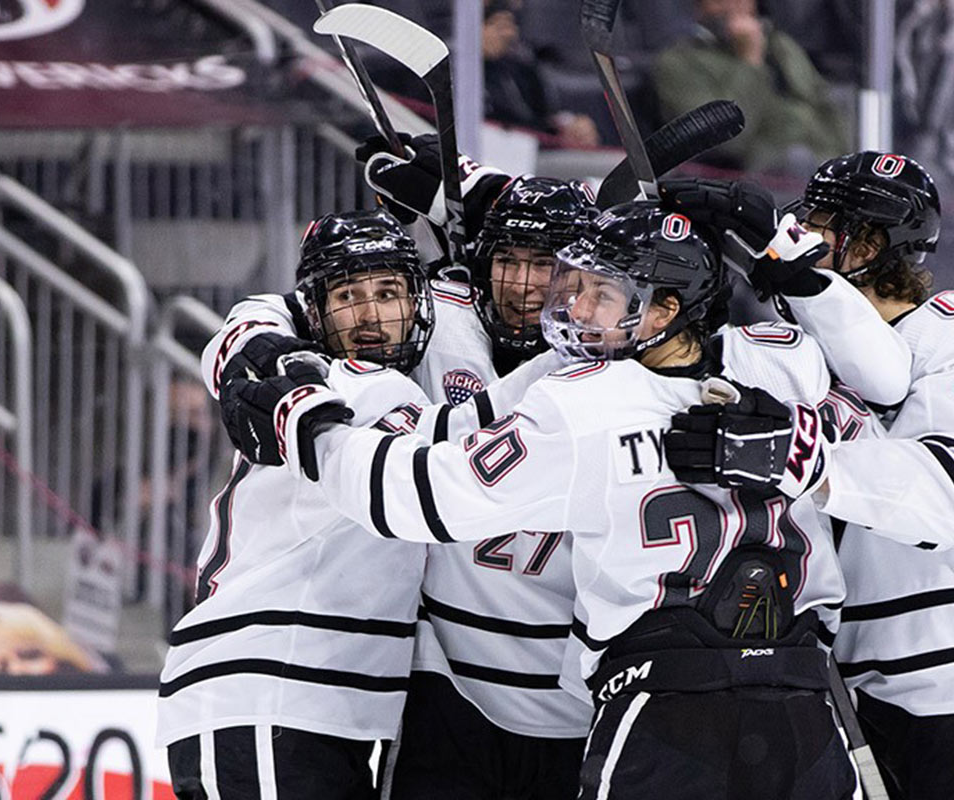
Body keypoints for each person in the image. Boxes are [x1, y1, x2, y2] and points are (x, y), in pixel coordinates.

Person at [222, 199, 859, 800]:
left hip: (665, 709)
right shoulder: (783, 367)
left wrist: (308, 426)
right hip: (806, 703)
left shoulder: (588, 401)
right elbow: (878, 388)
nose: (576, 310)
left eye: (602, 295)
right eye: (577, 288)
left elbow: (417, 499)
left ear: (662, 311)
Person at [664, 152, 954, 799]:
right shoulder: (804, 355)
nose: (800, 232)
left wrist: (791, 456)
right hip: (856, 682)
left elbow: (951, 497)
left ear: (870, 243)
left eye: (820, 223)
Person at [215, 137, 602, 796]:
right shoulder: (434, 318)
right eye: (510, 261)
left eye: (550, 267)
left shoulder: (621, 361)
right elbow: (295, 306)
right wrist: (269, 355)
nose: (528, 286)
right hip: (445, 692)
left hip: (576, 704)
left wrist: (480, 189)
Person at [156, 209, 436, 800]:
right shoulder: (363, 387)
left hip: (305, 705)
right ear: (316, 311)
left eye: (388, 292)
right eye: (347, 295)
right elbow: (455, 475)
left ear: (417, 303)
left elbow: (256, 316)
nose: (368, 315)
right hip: (270, 694)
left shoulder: (300, 370)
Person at [651, 0, 849, 172]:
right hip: (755, 175)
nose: (734, 7)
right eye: (720, 1)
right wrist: (750, 63)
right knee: (798, 160)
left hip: (818, 160)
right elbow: (726, 143)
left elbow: (825, 105)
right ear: (698, 7)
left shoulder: (782, 46)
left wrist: (843, 159)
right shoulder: (681, 62)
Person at [482, 0, 600, 148]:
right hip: (491, 153)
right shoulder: (458, 73)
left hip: (532, 150)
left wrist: (570, 124)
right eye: (498, 26)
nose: (508, 33)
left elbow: (547, 115)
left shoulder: (520, 68)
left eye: (511, 25)